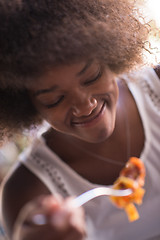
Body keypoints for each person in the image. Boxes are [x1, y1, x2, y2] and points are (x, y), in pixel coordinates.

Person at [0, 0, 160, 239]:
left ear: (111, 56)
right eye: (55, 99)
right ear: (25, 105)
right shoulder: (26, 192)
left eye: (92, 77)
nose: (86, 105)